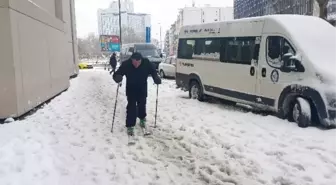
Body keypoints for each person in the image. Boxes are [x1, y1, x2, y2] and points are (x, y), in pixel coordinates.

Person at [113, 52, 161, 136]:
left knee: (142, 104)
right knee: (131, 106)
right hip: (131, 89)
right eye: (134, 62)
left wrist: (156, 77)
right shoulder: (126, 64)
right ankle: (130, 125)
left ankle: (142, 118)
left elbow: (153, 71)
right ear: (131, 60)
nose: (136, 64)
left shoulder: (146, 63)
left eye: (138, 62)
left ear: (141, 60)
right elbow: (117, 73)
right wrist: (117, 77)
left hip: (142, 88)